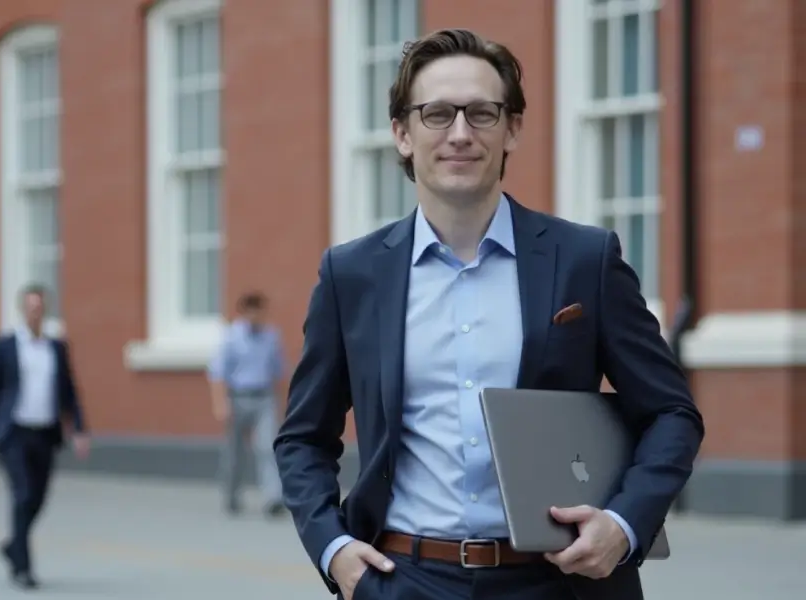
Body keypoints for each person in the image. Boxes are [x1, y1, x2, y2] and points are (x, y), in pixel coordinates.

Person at [274, 29, 705, 600]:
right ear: (402, 134)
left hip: (561, 582)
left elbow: (672, 413)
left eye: (482, 113)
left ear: (512, 129)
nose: (460, 134)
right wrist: (334, 552)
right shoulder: (351, 276)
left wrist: (624, 526)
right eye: (436, 114)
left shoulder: (585, 261)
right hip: (403, 580)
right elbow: (303, 438)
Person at [0, 284, 89, 589]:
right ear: (22, 310)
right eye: (30, 307)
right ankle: (23, 567)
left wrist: (79, 428)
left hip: (45, 433)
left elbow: (69, 391)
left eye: (40, 307)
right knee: (22, 494)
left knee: (38, 497)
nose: (35, 312)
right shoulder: (6, 346)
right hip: (13, 433)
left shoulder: (56, 348)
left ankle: (13, 545)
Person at [208, 291, 286, 517]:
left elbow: (278, 372)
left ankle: (273, 497)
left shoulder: (271, 337)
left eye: (260, 310)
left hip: (264, 398)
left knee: (268, 447)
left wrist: (280, 403)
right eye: (252, 311)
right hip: (238, 398)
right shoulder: (231, 337)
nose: (256, 316)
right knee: (235, 452)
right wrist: (220, 403)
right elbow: (218, 373)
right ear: (244, 312)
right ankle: (231, 494)